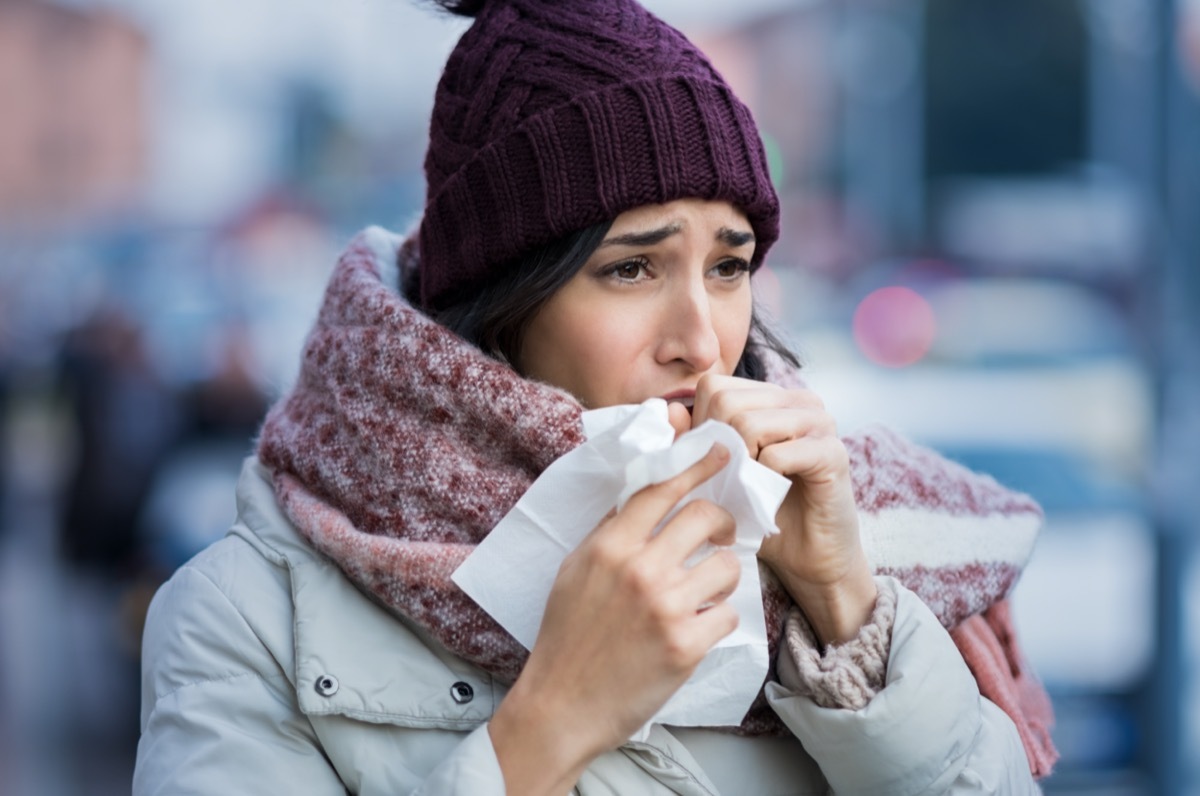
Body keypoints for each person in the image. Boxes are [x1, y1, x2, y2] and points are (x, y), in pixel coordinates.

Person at [133, 0, 1058, 793]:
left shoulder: (830, 526)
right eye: (631, 268)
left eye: (730, 265)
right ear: (502, 301)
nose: (702, 339)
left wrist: (846, 602)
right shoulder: (247, 617)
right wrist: (548, 724)